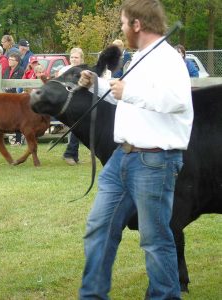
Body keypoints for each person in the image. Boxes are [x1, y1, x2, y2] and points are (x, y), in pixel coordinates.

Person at [77, 0, 193, 299]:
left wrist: (129, 91)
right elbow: (127, 99)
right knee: (99, 229)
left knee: (154, 240)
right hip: (122, 159)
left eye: (123, 23)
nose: (122, 28)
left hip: (155, 161)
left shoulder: (167, 59)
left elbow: (177, 100)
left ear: (137, 25)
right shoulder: (139, 56)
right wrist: (97, 87)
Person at [59, 47, 84, 166]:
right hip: (67, 102)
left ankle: (73, 154)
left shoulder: (84, 70)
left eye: (76, 57)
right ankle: (70, 154)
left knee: (77, 127)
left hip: (81, 102)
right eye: (72, 57)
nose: (74, 59)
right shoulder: (64, 70)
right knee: (76, 127)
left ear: (81, 59)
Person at [3, 52, 25, 146]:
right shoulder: (7, 70)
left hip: (16, 97)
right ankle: (3, 139)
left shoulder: (20, 70)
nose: (9, 61)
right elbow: (4, 80)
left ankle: (18, 140)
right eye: (9, 59)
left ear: (17, 61)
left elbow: (18, 83)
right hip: (6, 97)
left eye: (12, 60)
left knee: (17, 119)